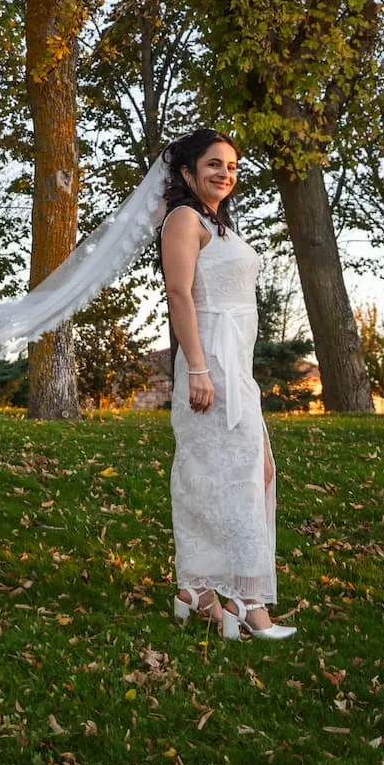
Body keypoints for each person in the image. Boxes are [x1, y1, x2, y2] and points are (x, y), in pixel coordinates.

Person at [158, 130, 295, 641]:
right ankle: (247, 601)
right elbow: (179, 293)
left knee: (244, 471)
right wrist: (197, 367)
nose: (225, 173)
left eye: (233, 166)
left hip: (236, 362)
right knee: (238, 475)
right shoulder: (183, 220)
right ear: (189, 173)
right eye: (214, 164)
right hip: (209, 356)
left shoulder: (219, 225)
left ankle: (197, 588)